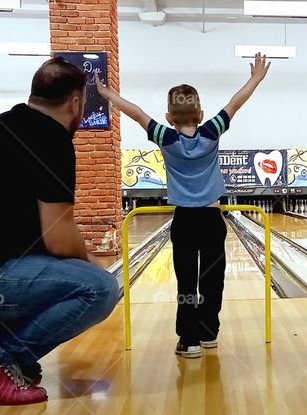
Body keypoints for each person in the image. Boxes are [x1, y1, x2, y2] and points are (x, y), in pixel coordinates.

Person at [0, 57, 121, 405]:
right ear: (76, 102)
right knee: (100, 289)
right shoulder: (52, 140)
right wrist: (93, 262)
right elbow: (59, 238)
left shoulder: (0, 125)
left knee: (69, 276)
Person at [95, 53, 270, 358]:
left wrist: (110, 95)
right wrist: (255, 78)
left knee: (187, 280)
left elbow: (136, 114)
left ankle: (188, 340)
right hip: (213, 220)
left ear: (169, 117)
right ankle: (209, 332)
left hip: (184, 222)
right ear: (201, 114)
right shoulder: (212, 131)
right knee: (213, 278)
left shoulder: (166, 137)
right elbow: (235, 102)